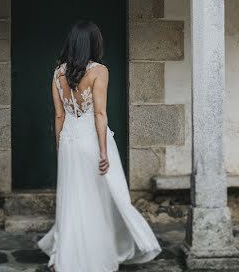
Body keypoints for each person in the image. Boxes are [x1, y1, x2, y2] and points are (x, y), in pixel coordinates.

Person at [37, 21, 161, 271]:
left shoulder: (57, 73)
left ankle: (66, 255)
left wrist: (61, 148)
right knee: (103, 196)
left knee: (72, 198)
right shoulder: (99, 71)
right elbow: (100, 114)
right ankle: (98, 253)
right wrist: (103, 151)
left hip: (70, 143)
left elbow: (59, 116)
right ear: (94, 44)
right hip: (92, 141)